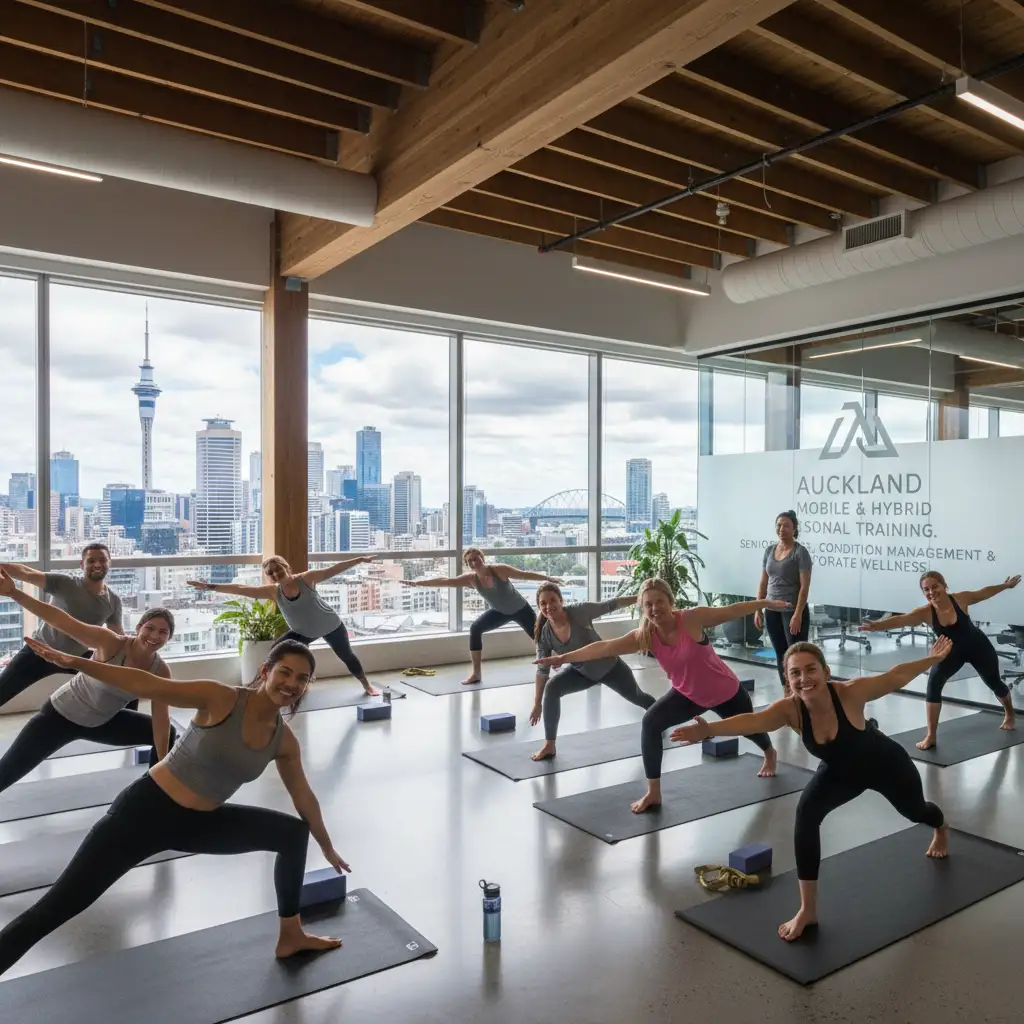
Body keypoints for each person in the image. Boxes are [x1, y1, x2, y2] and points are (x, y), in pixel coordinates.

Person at [0, 637, 349, 975]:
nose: (291, 684)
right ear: (266, 670)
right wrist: (77, 662)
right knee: (54, 909)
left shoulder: (283, 740)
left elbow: (303, 796)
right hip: (144, 814)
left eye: (302, 678)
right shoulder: (220, 697)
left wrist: (327, 846)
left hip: (200, 823)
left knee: (291, 833)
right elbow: (148, 684)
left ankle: (291, 935)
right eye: (285, 672)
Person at [671, 637, 952, 942]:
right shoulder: (789, 710)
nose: (804, 679)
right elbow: (752, 721)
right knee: (806, 815)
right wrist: (709, 729)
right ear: (788, 680)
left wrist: (932, 659)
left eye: (810, 670)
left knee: (916, 811)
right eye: (795, 673)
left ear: (826, 671)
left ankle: (941, 826)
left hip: (886, 765)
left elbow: (896, 675)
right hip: (840, 773)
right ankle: (808, 910)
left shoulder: (850, 692)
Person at [535, 578, 787, 813]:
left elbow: (731, 610)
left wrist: (763, 603)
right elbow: (605, 647)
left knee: (751, 730)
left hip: (725, 691)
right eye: (648, 604)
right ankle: (653, 792)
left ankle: (769, 752)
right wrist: (564, 657)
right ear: (643, 609)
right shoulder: (645, 636)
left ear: (670, 601)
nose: (655, 608)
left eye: (659, 602)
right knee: (650, 723)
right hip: (687, 694)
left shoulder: (692, 619)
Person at [0, 569, 175, 783]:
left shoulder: (160, 671)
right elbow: (61, 620)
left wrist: (161, 772)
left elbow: (161, 720)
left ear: (169, 638)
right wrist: (15, 594)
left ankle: (153, 791)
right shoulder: (110, 642)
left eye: (163, 632)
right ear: (139, 628)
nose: (155, 636)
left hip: (103, 722)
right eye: (150, 628)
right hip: (59, 717)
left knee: (168, 733)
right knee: (7, 772)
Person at [861, 571, 1020, 749]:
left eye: (935, 586)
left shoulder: (960, 599)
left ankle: (1010, 713)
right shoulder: (925, 613)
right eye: (926, 589)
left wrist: (1006, 586)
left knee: (994, 683)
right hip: (950, 652)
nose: (931, 592)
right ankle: (931, 736)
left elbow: (984, 592)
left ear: (945, 586)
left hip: (978, 647)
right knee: (933, 685)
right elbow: (901, 620)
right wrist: (876, 626)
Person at [188, 555, 380, 697]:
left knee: (346, 656)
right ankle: (260, 688)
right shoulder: (273, 591)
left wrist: (360, 560)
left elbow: (334, 569)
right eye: (270, 573)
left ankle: (366, 685)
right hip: (302, 632)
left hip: (330, 625)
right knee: (275, 651)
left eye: (278, 569)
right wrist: (209, 586)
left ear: (286, 567)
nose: (275, 574)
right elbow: (240, 589)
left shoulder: (307, 578)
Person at [529, 584, 654, 761]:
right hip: (582, 673)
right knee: (552, 687)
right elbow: (542, 670)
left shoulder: (579, 612)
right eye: (543, 603)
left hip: (610, 668)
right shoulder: (545, 635)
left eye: (552, 601)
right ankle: (549, 745)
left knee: (638, 697)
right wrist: (537, 703)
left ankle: (658, 715)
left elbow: (611, 604)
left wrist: (642, 598)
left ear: (561, 601)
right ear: (539, 607)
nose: (548, 606)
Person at [402, 548, 559, 685]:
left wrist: (548, 578)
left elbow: (523, 575)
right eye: (470, 561)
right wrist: (419, 583)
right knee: (475, 628)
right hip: (499, 612)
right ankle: (476, 673)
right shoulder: (471, 579)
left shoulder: (499, 570)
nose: (474, 562)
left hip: (520, 609)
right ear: (468, 564)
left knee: (539, 638)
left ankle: (557, 659)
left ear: (482, 558)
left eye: (476, 558)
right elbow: (447, 581)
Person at [0, 543, 123, 708]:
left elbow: (118, 638)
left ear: (109, 563)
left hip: (75, 659)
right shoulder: (66, 583)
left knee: (123, 684)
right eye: (91, 560)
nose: (97, 564)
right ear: (82, 564)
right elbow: (27, 573)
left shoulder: (113, 601)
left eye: (102, 560)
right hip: (39, 651)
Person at [753, 510, 812, 693]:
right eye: (779, 525)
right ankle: (787, 692)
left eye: (786, 525)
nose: (781, 529)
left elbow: (804, 587)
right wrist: (758, 608)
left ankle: (801, 693)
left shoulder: (800, 552)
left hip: (792, 610)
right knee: (780, 654)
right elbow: (764, 581)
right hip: (772, 610)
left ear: (794, 528)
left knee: (796, 655)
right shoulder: (770, 551)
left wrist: (797, 614)